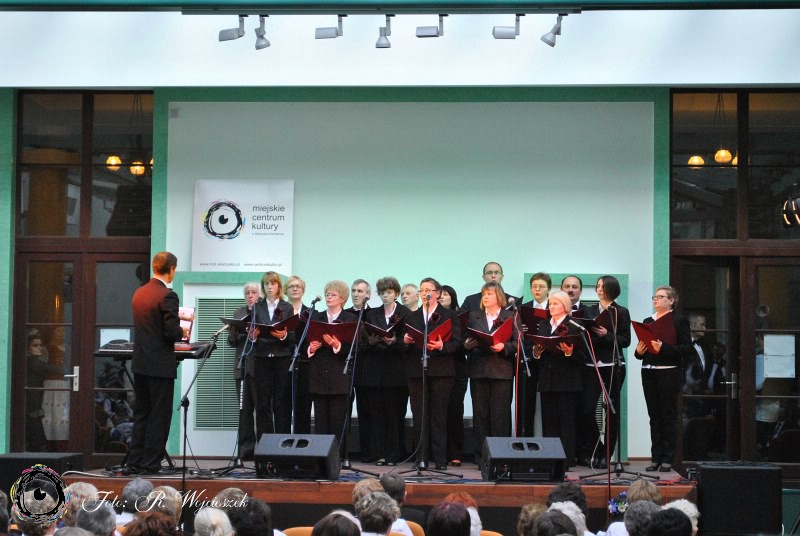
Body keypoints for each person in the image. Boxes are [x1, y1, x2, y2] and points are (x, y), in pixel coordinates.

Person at [126, 251, 185, 475]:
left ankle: (135, 460)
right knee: (159, 415)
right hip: (160, 365)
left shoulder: (139, 293)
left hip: (140, 363)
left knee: (142, 413)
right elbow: (171, 332)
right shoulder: (167, 295)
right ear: (171, 269)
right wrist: (182, 330)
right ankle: (151, 463)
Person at [403, 277, 462, 470]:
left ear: (437, 293)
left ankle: (440, 459)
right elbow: (403, 345)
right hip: (417, 370)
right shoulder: (411, 315)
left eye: (428, 290)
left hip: (441, 370)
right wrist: (405, 341)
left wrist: (442, 346)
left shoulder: (449, 315)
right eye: (421, 290)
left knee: (439, 416)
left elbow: (457, 343)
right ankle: (421, 458)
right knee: (420, 415)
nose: (424, 293)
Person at [634, 285, 693, 472]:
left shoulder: (679, 320)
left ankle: (668, 458)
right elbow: (641, 352)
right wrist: (638, 352)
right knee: (654, 416)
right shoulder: (648, 320)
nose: (656, 299)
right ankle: (655, 458)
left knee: (668, 416)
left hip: (668, 372)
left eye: (660, 297)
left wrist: (664, 348)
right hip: (649, 371)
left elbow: (687, 348)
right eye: (655, 296)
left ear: (671, 300)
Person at [577, 275, 631, 469]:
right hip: (591, 365)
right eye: (598, 286)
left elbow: (625, 340)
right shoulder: (589, 310)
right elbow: (582, 335)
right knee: (587, 409)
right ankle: (597, 448)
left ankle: (607, 454)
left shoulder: (620, 312)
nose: (599, 289)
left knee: (611, 411)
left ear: (612, 289)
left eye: (602, 286)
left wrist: (607, 334)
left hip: (613, 365)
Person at [464, 282, 517, 465]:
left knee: (499, 415)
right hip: (479, 370)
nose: (485, 297)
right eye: (484, 294)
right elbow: (465, 340)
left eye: (490, 294)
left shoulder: (510, 316)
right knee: (480, 415)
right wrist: (467, 345)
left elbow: (519, 342)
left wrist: (504, 346)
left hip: (501, 370)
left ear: (499, 297)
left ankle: (501, 455)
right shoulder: (474, 316)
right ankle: (481, 456)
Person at [361, 277, 411, 466]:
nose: (385, 296)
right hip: (375, 371)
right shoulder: (372, 314)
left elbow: (409, 343)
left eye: (389, 292)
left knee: (395, 415)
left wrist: (395, 342)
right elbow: (364, 340)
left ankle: (394, 454)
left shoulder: (405, 313)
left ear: (396, 294)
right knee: (376, 415)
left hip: (396, 371)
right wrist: (371, 342)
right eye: (382, 293)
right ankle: (380, 454)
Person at [533, 290, 584, 467]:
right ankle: (550, 458)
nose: (551, 307)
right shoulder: (544, 324)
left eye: (556, 304)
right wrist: (536, 353)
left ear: (565, 306)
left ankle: (567, 459)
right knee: (549, 420)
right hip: (547, 379)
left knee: (566, 421)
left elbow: (583, 356)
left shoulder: (575, 325)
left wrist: (570, 353)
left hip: (567, 380)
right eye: (550, 304)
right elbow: (538, 350)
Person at [306, 280, 358, 455]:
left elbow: (358, 347)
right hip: (319, 377)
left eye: (333, 294)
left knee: (338, 420)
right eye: (327, 294)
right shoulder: (316, 318)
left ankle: (338, 457)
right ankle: (320, 456)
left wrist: (338, 345)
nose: (328, 297)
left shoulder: (351, 319)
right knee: (320, 421)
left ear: (342, 298)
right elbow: (304, 342)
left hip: (340, 378)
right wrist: (311, 348)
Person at [250, 271, 296, 435]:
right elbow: (253, 331)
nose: (270, 287)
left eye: (273, 283)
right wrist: (253, 337)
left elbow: (292, 336)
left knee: (281, 403)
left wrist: (283, 335)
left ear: (279, 286)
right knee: (262, 403)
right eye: (266, 284)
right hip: (262, 358)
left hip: (281, 358)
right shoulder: (257, 307)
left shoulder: (287, 307)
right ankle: (264, 443)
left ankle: (282, 444)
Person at [226, 281, 261, 460]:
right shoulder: (238, 313)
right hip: (242, 366)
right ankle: (246, 451)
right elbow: (231, 342)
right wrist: (233, 336)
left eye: (254, 292)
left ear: (260, 295)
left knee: (262, 410)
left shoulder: (264, 312)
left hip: (260, 368)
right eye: (247, 293)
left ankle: (264, 450)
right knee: (244, 410)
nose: (250, 295)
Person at [518, 272, 551, 437]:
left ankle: (549, 442)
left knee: (549, 404)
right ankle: (525, 440)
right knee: (526, 403)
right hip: (528, 358)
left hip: (549, 360)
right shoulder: (523, 308)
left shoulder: (554, 307)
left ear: (548, 289)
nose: (537, 289)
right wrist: (520, 330)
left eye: (541, 286)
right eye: (534, 286)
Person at [440, 284, 466, 467]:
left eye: (446, 294)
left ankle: (455, 452)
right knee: (439, 413)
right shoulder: (432, 316)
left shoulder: (460, 317)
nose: (442, 297)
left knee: (455, 411)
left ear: (453, 297)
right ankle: (439, 452)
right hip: (439, 368)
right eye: (439, 294)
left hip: (457, 369)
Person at [286, 275, 314, 434]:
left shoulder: (311, 313)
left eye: (298, 286)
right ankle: (282, 443)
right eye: (291, 286)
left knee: (303, 406)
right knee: (282, 406)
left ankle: (302, 443)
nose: (295, 289)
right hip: (283, 363)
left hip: (304, 364)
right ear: (285, 290)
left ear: (303, 290)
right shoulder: (279, 311)